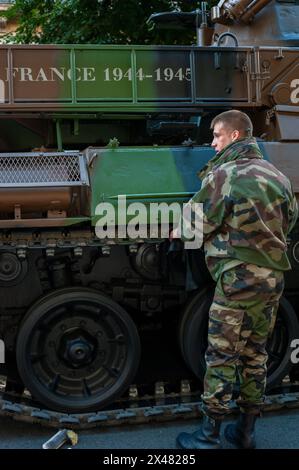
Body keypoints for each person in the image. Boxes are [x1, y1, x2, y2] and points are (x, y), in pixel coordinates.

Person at [172, 110, 298, 449]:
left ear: (235, 136)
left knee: (222, 354)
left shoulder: (225, 174)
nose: (213, 143)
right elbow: (289, 222)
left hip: (238, 277)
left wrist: (179, 229)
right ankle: (245, 432)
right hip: (272, 279)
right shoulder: (279, 177)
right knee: (256, 353)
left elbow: (196, 223)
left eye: (217, 136)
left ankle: (208, 435)